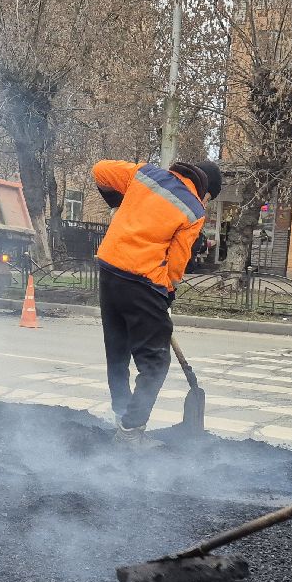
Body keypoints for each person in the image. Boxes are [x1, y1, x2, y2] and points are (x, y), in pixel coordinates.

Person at [92, 157, 221, 445]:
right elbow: (176, 262)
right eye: (210, 198)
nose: (207, 202)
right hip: (142, 281)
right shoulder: (193, 209)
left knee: (118, 352)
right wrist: (168, 292)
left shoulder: (143, 175)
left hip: (109, 270)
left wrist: (117, 202)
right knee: (155, 364)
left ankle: (121, 415)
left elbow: (100, 170)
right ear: (206, 190)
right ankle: (129, 433)